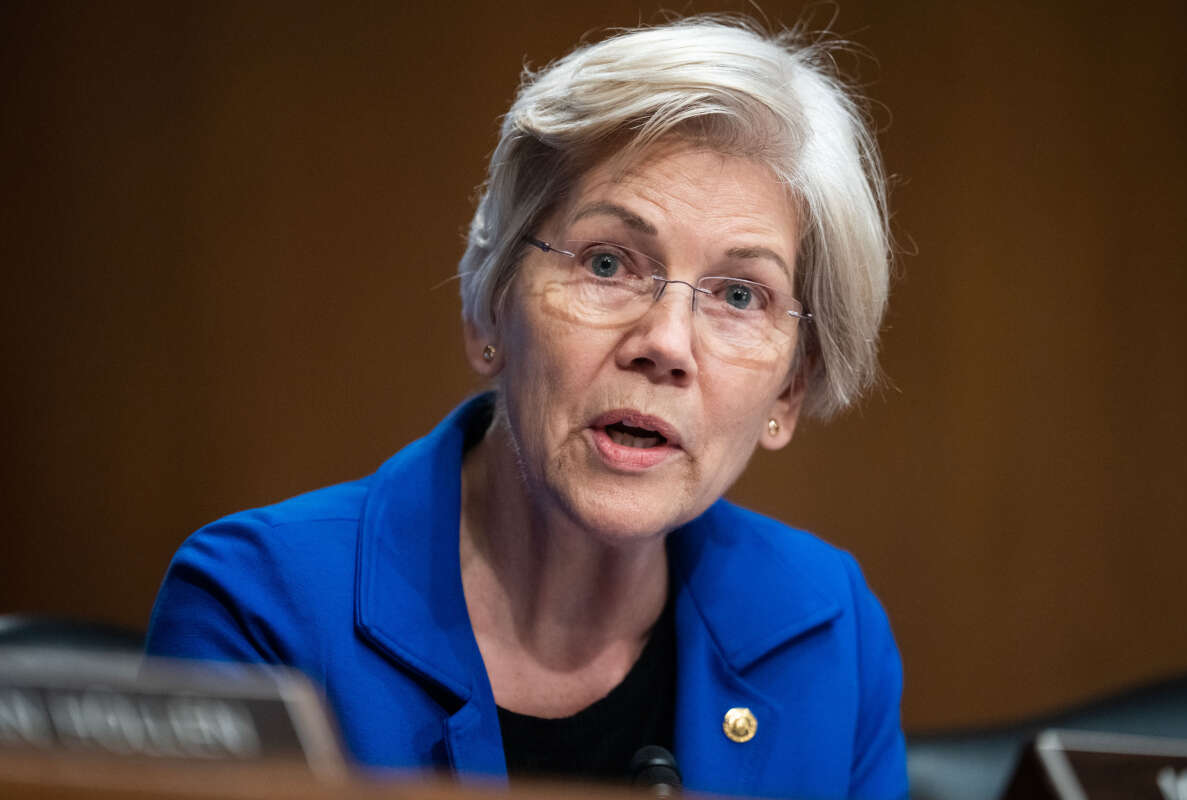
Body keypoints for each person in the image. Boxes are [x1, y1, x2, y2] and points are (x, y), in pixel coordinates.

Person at [146, 16, 906, 799]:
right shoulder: (262, 610)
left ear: (790, 389)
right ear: (489, 310)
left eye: (740, 295)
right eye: (608, 263)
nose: (665, 343)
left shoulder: (826, 631)